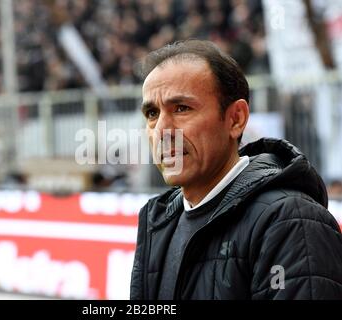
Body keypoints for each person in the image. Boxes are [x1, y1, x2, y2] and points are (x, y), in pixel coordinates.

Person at [130, 40, 342, 300]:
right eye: (152, 113)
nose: (161, 130)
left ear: (236, 119)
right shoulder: (156, 219)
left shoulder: (291, 221)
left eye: (182, 108)